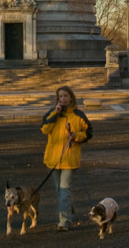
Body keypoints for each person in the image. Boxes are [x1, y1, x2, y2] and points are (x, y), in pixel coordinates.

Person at [41, 85, 93, 231]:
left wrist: (76, 136)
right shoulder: (52, 113)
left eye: (65, 96)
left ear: (71, 97)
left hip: (70, 158)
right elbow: (44, 129)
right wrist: (54, 114)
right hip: (53, 158)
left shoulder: (78, 115)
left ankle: (64, 221)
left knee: (64, 189)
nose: (63, 99)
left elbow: (89, 132)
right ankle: (68, 209)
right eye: (60, 96)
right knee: (60, 191)